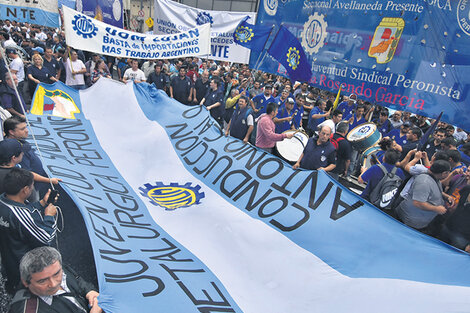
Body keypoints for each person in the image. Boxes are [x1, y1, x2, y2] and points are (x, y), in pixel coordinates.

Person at [0, 168, 58, 293]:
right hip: (23, 266)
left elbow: (25, 210)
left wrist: (42, 203)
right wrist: (49, 216)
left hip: (7, 258)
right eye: (31, 186)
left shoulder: (3, 200)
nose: (32, 188)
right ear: (25, 190)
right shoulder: (18, 215)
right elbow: (46, 238)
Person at [9, 246, 103, 313]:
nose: (53, 284)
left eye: (57, 274)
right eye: (42, 281)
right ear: (26, 282)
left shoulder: (54, 267)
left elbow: (77, 279)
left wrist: (89, 291)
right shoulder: (29, 309)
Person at [396, 160, 453, 232]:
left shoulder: (435, 178)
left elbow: (432, 192)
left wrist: (446, 196)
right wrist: (436, 209)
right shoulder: (424, 182)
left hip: (418, 220)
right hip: (409, 221)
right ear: (444, 173)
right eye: (449, 172)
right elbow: (418, 203)